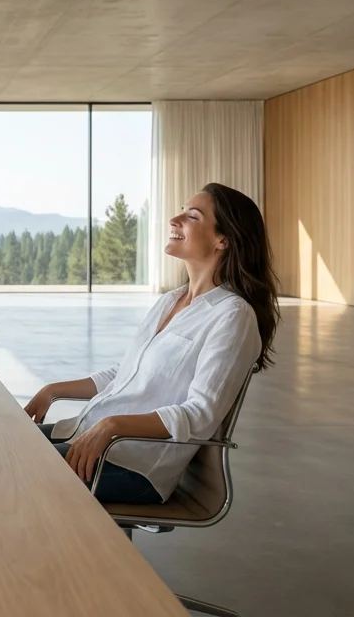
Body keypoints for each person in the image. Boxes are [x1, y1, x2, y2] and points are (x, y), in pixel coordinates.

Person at [24, 183, 280, 504]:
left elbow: (201, 413)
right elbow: (126, 375)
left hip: (135, 464)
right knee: (3, 445)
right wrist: (53, 391)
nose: (175, 219)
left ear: (222, 240)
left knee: (12, 470)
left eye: (192, 216)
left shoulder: (232, 316)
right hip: (91, 434)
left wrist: (113, 425)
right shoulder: (171, 300)